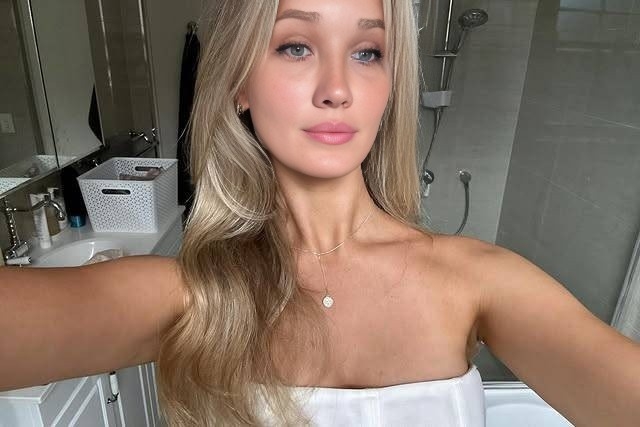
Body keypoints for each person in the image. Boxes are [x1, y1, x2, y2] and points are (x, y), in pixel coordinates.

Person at [1, 0, 639, 425]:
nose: (337, 89)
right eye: (295, 47)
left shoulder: (481, 282)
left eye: (367, 52)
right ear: (239, 83)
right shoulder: (192, 295)